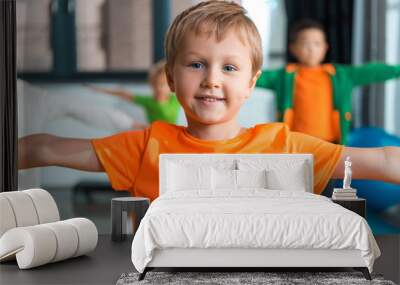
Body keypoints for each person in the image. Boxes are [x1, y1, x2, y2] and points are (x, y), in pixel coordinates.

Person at [18, 1, 400, 202]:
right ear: (170, 77)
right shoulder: (144, 147)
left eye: (229, 68)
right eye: (196, 64)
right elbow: (46, 147)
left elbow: (383, 160)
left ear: (252, 83)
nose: (212, 80)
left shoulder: (285, 145)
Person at [256, 19, 400, 144]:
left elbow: (372, 72)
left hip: (330, 144)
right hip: (294, 143)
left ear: (325, 48)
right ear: (293, 48)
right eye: (305, 43)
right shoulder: (284, 76)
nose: (311, 49)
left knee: (329, 175)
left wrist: (396, 70)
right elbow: (254, 76)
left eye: (317, 44)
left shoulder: (340, 75)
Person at [85, 59, 181, 125]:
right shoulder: (148, 101)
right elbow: (122, 93)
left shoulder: (176, 100)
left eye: (163, 85)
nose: (159, 88)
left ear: (171, 86)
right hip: (155, 138)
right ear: (151, 85)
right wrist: (99, 89)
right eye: (155, 84)